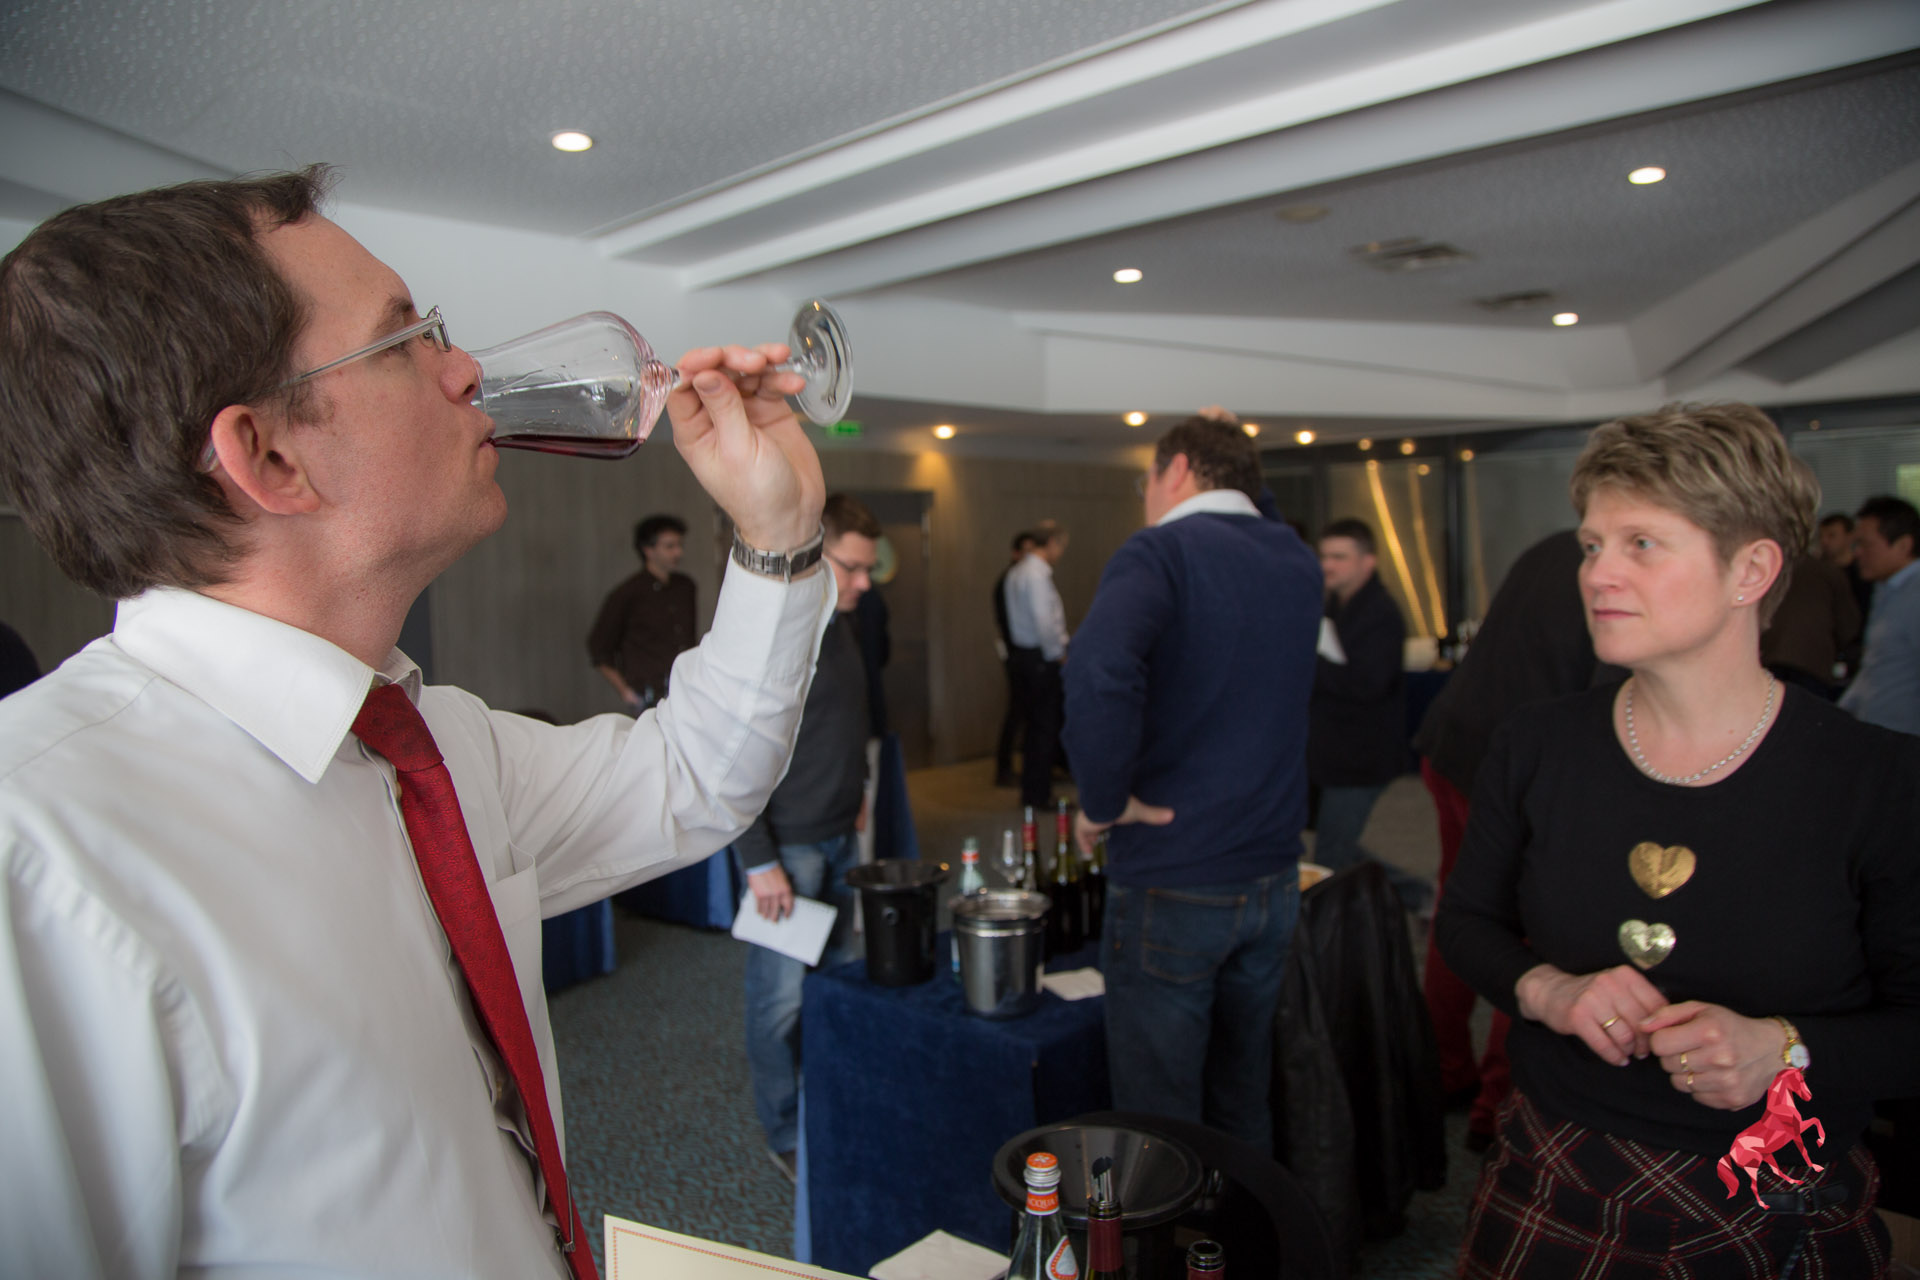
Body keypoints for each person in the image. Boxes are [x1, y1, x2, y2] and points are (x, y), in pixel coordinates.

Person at [0, 168, 833, 1277]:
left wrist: (778, 533)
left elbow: (695, 775)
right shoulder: (42, 858)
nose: (466, 367)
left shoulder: (435, 743)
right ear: (270, 457)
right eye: (405, 341)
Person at [1437, 403, 1920, 1277]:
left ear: (1751, 570)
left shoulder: (1876, 778)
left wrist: (1784, 1048)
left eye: (1642, 544)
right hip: (1558, 1165)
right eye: (1592, 545)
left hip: (1772, 1185)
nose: (1598, 573)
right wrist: (1549, 991)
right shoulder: (1537, 743)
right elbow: (1467, 924)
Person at [1064, 414, 1322, 1152]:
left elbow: (1096, 669)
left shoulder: (1161, 550)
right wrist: (1242, 464)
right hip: (1273, 875)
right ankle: (1243, 1222)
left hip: (1176, 874)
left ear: (1175, 469)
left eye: (1146, 478)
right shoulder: (1295, 557)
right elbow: (1257, 517)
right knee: (1242, 1094)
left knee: (1161, 1118)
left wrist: (1104, 801)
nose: (1147, 495)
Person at [1413, 529, 1608, 1151]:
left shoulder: (1553, 545)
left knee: (1460, 908)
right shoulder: (1623, 568)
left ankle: (1443, 1070)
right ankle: (1495, 1109)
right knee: (1527, 934)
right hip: (1512, 762)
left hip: (1456, 740)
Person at [734, 494, 879, 1182]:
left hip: (839, 838)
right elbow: (734, 757)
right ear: (817, 556)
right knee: (780, 1003)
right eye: (853, 567)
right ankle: (785, 1131)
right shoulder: (778, 632)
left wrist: (860, 789)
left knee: (834, 989)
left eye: (869, 568)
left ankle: (828, 1110)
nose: (865, 582)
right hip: (786, 851)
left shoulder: (840, 621)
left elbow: (843, 719)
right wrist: (758, 860)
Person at [1307, 517, 1427, 913]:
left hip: (1360, 758)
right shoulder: (1335, 604)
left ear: (1368, 562)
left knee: (1332, 855)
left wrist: (1310, 663)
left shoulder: (1380, 614)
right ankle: (1418, 894)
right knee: (1334, 845)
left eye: (1339, 557)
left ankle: (1417, 896)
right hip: (1333, 752)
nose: (1328, 565)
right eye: (1325, 556)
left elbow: (1368, 684)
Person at [587, 513, 697, 710]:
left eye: (679, 545)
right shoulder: (628, 593)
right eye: (669, 546)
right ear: (648, 550)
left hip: (688, 687)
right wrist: (625, 691)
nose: (677, 552)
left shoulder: (685, 586)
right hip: (649, 693)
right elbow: (599, 648)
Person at [1838, 495, 1920, 736]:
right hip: (1881, 737)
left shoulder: (1915, 596)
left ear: (1903, 545)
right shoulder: (1888, 590)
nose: (1858, 553)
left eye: (1866, 545)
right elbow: (1875, 668)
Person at [1004, 522, 1071, 809]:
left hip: (1024, 656)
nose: (1061, 552)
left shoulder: (1018, 571)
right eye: (1061, 546)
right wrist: (1058, 653)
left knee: (1034, 728)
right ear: (1051, 543)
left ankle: (1032, 791)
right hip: (1041, 659)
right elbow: (1044, 622)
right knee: (1044, 729)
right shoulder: (1036, 575)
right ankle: (1039, 794)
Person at [1758, 548, 1860, 697]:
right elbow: (1848, 625)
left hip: (1771, 657)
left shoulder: (1774, 570)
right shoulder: (1829, 572)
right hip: (1812, 663)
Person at [993, 529, 1040, 786]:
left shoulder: (1024, 577)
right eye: (1026, 551)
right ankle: (1004, 768)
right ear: (1015, 553)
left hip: (1023, 655)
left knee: (1027, 712)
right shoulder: (1011, 580)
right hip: (1018, 656)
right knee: (1017, 711)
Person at [1818, 511, 1874, 627]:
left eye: (1831, 535)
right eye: (1821, 536)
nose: (1824, 541)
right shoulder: (1817, 573)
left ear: (1850, 537)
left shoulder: (1864, 572)